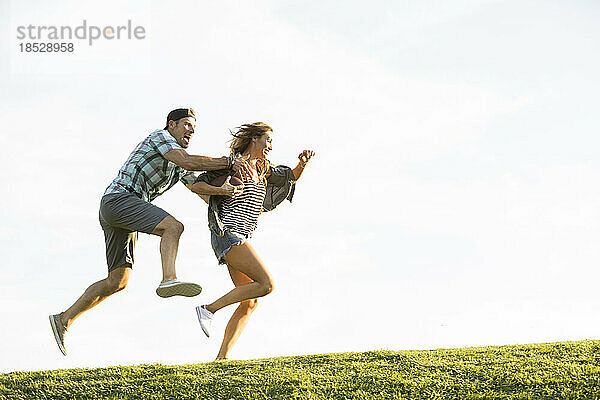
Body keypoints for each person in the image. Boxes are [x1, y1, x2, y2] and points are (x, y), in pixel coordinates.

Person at [49, 108, 251, 356]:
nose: (191, 130)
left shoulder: (180, 161)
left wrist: (227, 193)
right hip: (119, 199)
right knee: (173, 227)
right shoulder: (161, 138)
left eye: (194, 128)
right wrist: (228, 162)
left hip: (120, 211)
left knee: (117, 281)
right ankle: (169, 279)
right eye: (186, 125)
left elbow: (197, 186)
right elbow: (185, 161)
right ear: (172, 125)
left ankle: (64, 319)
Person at [186, 122, 314, 360]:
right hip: (227, 233)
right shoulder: (233, 165)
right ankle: (208, 309)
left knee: (250, 301)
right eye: (267, 140)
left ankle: (221, 359)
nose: (270, 146)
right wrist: (223, 190)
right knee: (266, 284)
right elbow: (197, 184)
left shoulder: (263, 169)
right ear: (254, 139)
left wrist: (302, 164)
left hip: (241, 235)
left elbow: (289, 177)